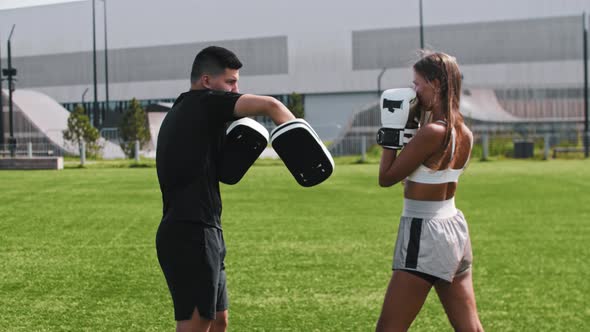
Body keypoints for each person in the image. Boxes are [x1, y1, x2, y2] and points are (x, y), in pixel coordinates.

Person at [155, 46, 295, 332]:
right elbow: (271, 106)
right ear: (207, 81)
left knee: (219, 320)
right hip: (190, 233)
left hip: (205, 230)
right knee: (196, 323)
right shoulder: (202, 102)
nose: (236, 89)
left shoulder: (191, 110)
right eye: (230, 82)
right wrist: (301, 147)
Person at [375, 51, 484, 332]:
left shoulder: (432, 132)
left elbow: (386, 178)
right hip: (455, 229)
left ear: (435, 84)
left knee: (389, 329)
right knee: (470, 328)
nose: (414, 91)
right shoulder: (464, 132)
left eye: (417, 84)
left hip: (424, 232)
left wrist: (390, 135)